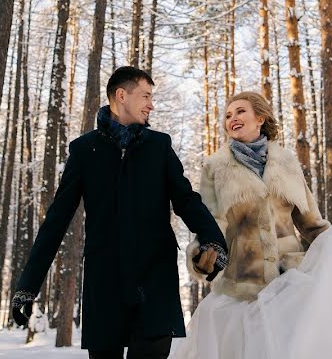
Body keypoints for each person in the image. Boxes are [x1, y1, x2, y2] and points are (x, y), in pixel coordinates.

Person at [174, 91, 332, 359]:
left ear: (260, 118)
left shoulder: (286, 162)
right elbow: (210, 221)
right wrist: (203, 256)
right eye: (228, 115)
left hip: (289, 281)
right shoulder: (215, 167)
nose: (232, 118)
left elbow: (311, 223)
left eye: (240, 111)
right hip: (243, 284)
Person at [12, 66, 228, 359]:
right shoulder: (84, 150)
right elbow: (56, 220)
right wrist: (28, 285)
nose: (151, 104)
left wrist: (213, 240)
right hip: (106, 285)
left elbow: (186, 200)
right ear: (121, 95)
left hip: (155, 282)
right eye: (146, 96)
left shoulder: (159, 146)